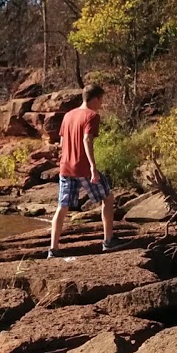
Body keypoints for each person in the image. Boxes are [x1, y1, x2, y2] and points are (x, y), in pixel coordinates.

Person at [48, 84, 123, 257]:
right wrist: (93, 167)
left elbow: (61, 141)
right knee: (108, 198)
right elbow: (87, 139)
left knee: (62, 207)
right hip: (82, 167)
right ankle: (108, 241)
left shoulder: (68, 115)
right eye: (101, 99)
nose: (102, 103)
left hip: (65, 167)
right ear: (95, 98)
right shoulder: (92, 115)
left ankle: (53, 249)